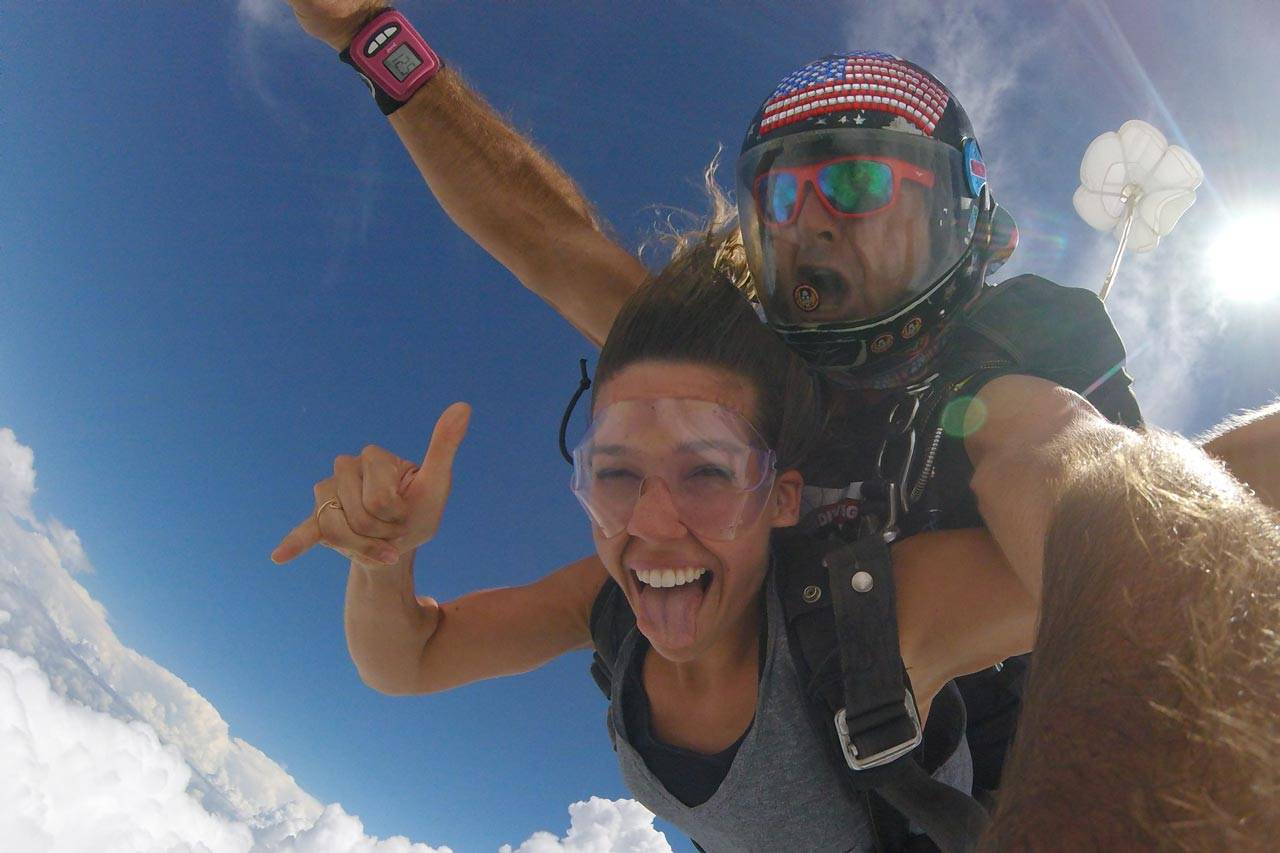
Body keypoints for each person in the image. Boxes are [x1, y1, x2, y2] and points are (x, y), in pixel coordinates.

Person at [283, 239, 1039, 851]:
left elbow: (1127, 576)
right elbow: (407, 660)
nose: (651, 523)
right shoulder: (607, 604)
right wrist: (380, 558)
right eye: (614, 473)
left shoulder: (882, 617)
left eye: (707, 471)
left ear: (781, 496)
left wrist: (1025, 421)